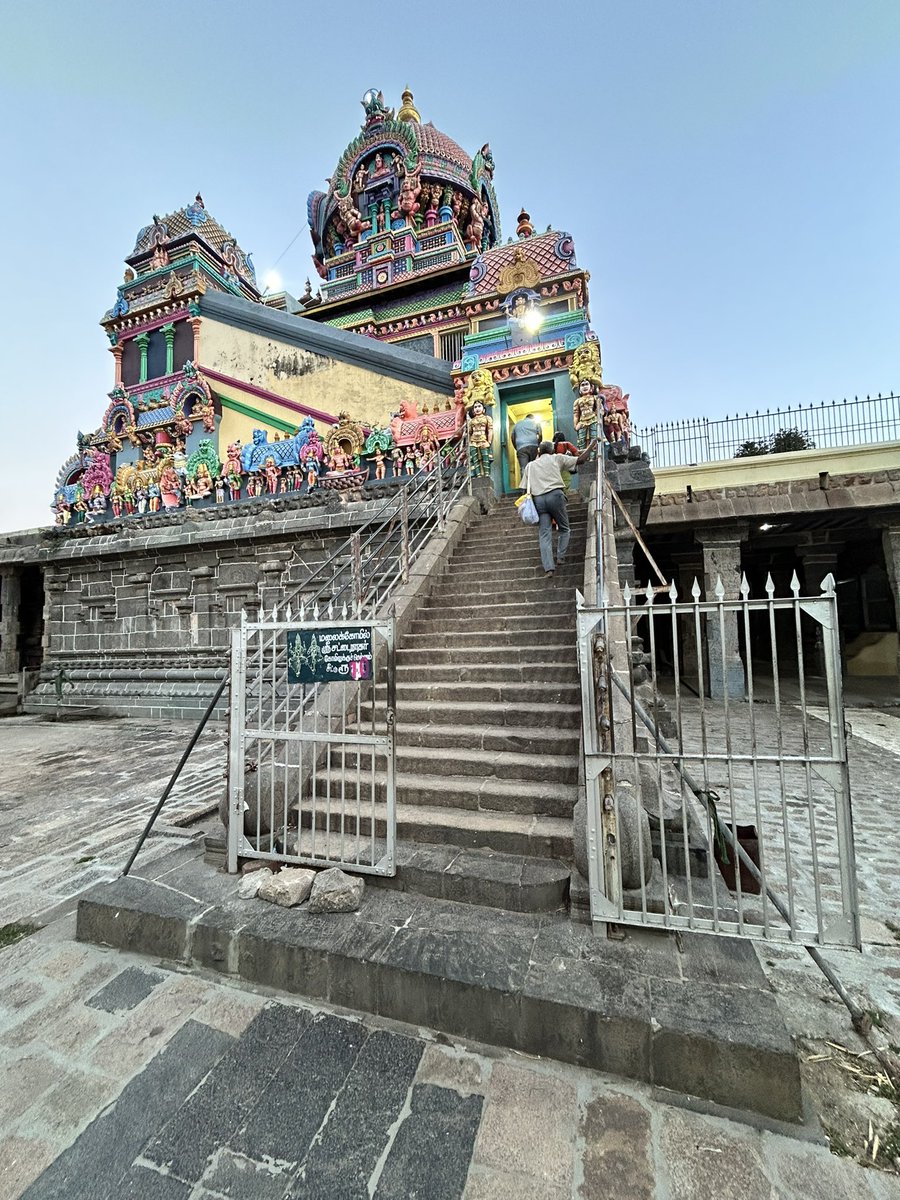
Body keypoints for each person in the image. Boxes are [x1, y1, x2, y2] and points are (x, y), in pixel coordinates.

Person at [520, 439, 597, 577]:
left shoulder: (530, 466)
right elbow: (580, 460)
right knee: (564, 528)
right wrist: (591, 445)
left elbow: (524, 488)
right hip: (556, 496)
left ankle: (549, 568)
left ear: (539, 451)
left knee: (544, 534)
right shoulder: (557, 458)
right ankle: (561, 556)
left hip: (539, 500)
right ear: (552, 450)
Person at [511, 413, 543, 480]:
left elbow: (512, 437)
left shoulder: (517, 424)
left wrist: (516, 447)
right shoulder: (535, 423)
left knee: (524, 468)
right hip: (533, 446)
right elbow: (540, 434)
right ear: (533, 418)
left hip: (521, 447)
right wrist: (538, 444)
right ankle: (534, 486)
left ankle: (525, 488)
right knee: (533, 466)